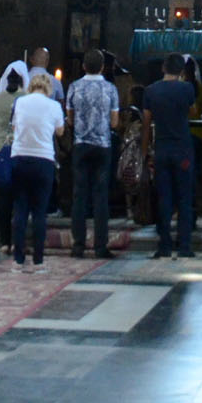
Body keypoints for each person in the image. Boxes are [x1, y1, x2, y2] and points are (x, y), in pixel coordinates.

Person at [66, 46, 120, 258]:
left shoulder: (74, 87)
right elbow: (115, 123)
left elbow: (69, 119)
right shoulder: (110, 89)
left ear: (83, 66)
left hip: (80, 144)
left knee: (79, 196)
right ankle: (100, 246)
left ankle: (78, 245)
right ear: (103, 68)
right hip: (102, 146)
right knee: (100, 197)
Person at [143, 51, 197, 259]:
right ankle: (184, 245)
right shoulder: (186, 89)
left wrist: (144, 150)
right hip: (182, 148)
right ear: (181, 71)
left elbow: (146, 124)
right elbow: (192, 112)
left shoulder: (151, 91)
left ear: (163, 68)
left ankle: (164, 244)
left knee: (164, 198)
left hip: (162, 149)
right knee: (184, 198)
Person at [10, 68, 64, 270]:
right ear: (48, 88)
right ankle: (39, 259)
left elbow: (15, 127)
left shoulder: (20, 103)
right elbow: (60, 132)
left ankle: (18, 258)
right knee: (40, 212)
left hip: (20, 157)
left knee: (21, 209)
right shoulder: (54, 106)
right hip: (43, 160)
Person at [0, 63, 27, 253]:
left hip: (0, 151)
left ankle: (4, 241)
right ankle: (18, 239)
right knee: (20, 198)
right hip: (18, 151)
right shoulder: (25, 98)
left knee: (3, 199)